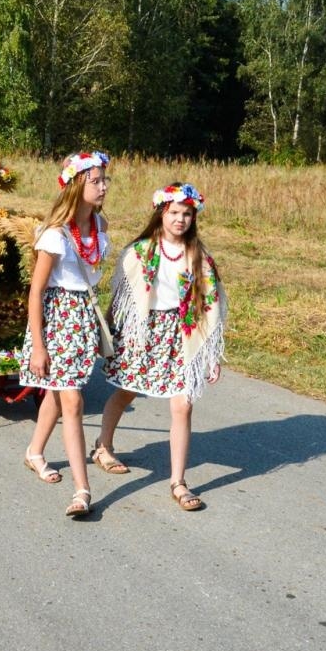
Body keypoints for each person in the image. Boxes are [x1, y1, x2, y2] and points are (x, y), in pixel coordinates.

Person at [92, 183, 227, 511]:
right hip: (143, 331)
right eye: (175, 213)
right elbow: (122, 295)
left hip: (181, 335)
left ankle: (178, 482)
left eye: (187, 214)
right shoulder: (141, 251)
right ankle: (103, 446)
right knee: (127, 392)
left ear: (194, 217)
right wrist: (106, 330)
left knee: (183, 404)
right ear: (162, 213)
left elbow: (212, 303)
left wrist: (210, 354)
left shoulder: (198, 256)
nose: (180, 220)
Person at [19, 151, 110, 519]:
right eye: (96, 181)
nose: (104, 187)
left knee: (57, 398)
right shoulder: (55, 235)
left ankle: (34, 452)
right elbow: (36, 291)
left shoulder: (100, 226)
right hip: (56, 321)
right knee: (71, 401)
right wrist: (38, 347)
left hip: (82, 319)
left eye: (106, 180)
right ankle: (82, 489)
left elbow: (92, 279)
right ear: (76, 185)